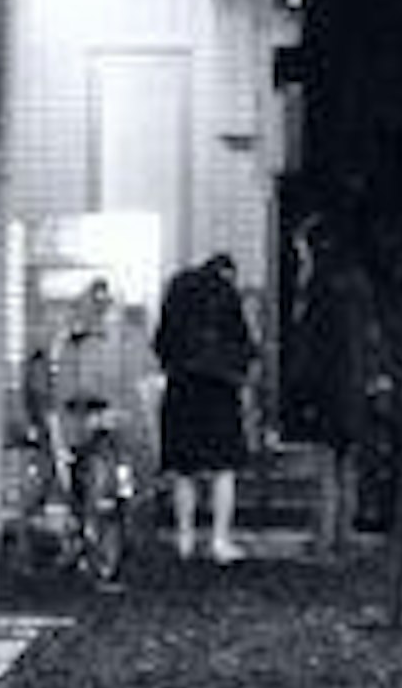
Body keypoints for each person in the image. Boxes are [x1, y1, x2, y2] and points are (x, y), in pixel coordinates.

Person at [152, 249, 257, 565]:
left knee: (184, 469)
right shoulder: (226, 293)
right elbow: (243, 343)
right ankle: (219, 540)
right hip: (219, 389)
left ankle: (185, 538)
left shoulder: (177, 289)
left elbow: (161, 341)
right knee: (223, 468)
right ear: (227, 273)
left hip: (181, 387)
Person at [280, 217, 383, 539]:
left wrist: (298, 391)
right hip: (354, 390)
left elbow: (309, 347)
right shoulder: (359, 286)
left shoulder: (318, 290)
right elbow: (370, 340)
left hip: (327, 390)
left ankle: (324, 535)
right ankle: (344, 533)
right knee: (347, 464)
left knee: (326, 466)